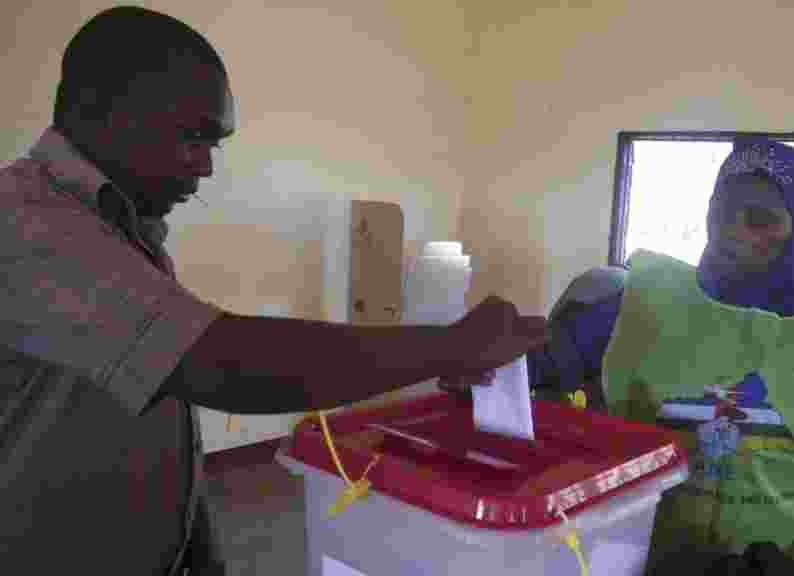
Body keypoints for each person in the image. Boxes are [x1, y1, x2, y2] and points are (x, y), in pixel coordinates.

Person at [0, 7, 543, 576]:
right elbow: (219, 362)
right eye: (192, 135)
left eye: (214, 142)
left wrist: (195, 546)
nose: (206, 166)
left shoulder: (122, 227)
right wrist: (454, 345)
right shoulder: (25, 223)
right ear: (94, 108)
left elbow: (159, 411)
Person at [524, 140, 794, 575]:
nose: (734, 230)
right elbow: (527, 370)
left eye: (761, 218)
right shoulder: (635, 302)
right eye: (722, 211)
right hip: (637, 561)